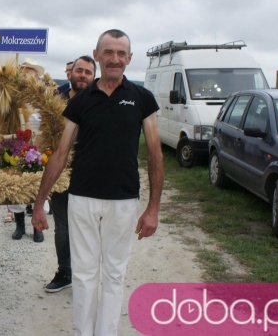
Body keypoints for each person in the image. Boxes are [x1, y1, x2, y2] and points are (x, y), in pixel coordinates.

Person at [32, 29, 164, 335]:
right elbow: (61, 153)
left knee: (115, 275)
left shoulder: (142, 99)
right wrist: (40, 203)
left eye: (121, 53)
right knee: (84, 274)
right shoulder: (80, 101)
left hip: (124, 201)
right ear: (97, 54)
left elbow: (156, 156)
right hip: (83, 199)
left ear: (130, 58)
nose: (114, 59)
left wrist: (153, 208)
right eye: (109, 52)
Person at [45, 55, 96, 294]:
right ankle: (65, 271)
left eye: (88, 72)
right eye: (79, 71)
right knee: (63, 226)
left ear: (93, 76)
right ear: (71, 73)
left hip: (90, 175)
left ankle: (87, 274)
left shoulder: (99, 100)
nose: (83, 75)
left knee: (89, 227)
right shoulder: (56, 99)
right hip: (61, 172)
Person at [10, 58, 45, 243]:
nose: (27, 77)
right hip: (17, 144)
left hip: (38, 146)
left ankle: (37, 226)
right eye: (24, 74)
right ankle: (19, 224)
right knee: (18, 184)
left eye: (31, 74)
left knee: (39, 184)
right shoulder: (13, 98)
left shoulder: (42, 98)